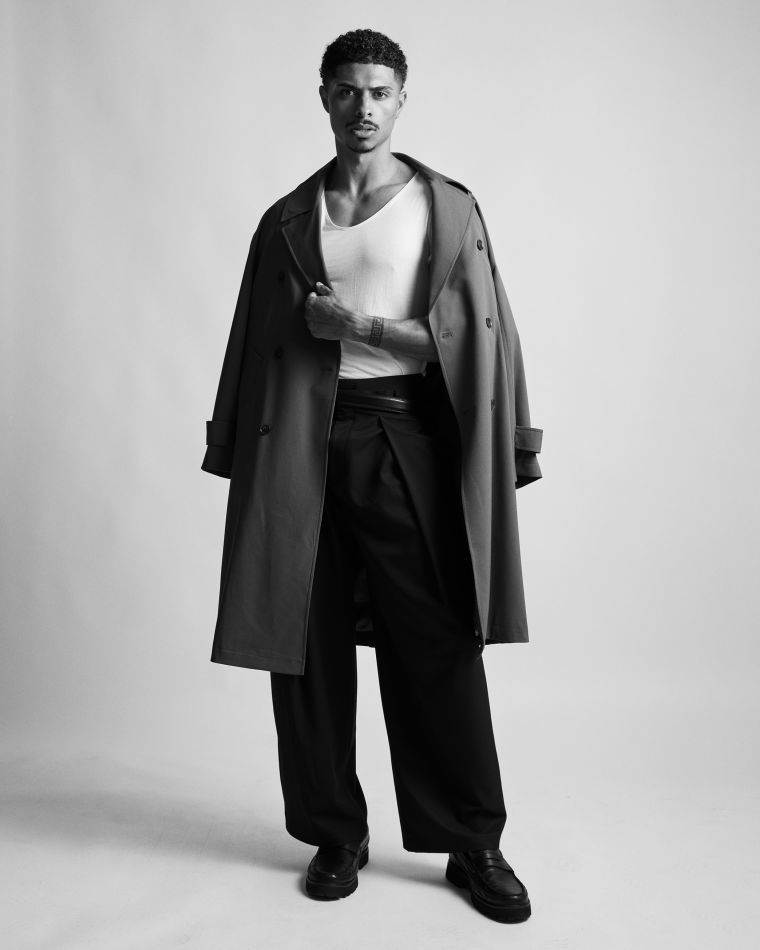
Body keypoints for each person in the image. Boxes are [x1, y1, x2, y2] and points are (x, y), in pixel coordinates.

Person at [201, 28, 543, 924]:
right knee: (304, 643)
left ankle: (472, 841)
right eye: (348, 90)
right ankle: (334, 831)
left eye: (380, 92)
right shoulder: (287, 218)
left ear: (402, 101)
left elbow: (477, 339)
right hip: (300, 446)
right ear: (324, 96)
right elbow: (250, 340)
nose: (364, 107)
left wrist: (360, 329)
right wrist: (231, 442)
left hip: (405, 438)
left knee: (436, 641)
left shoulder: (444, 208)